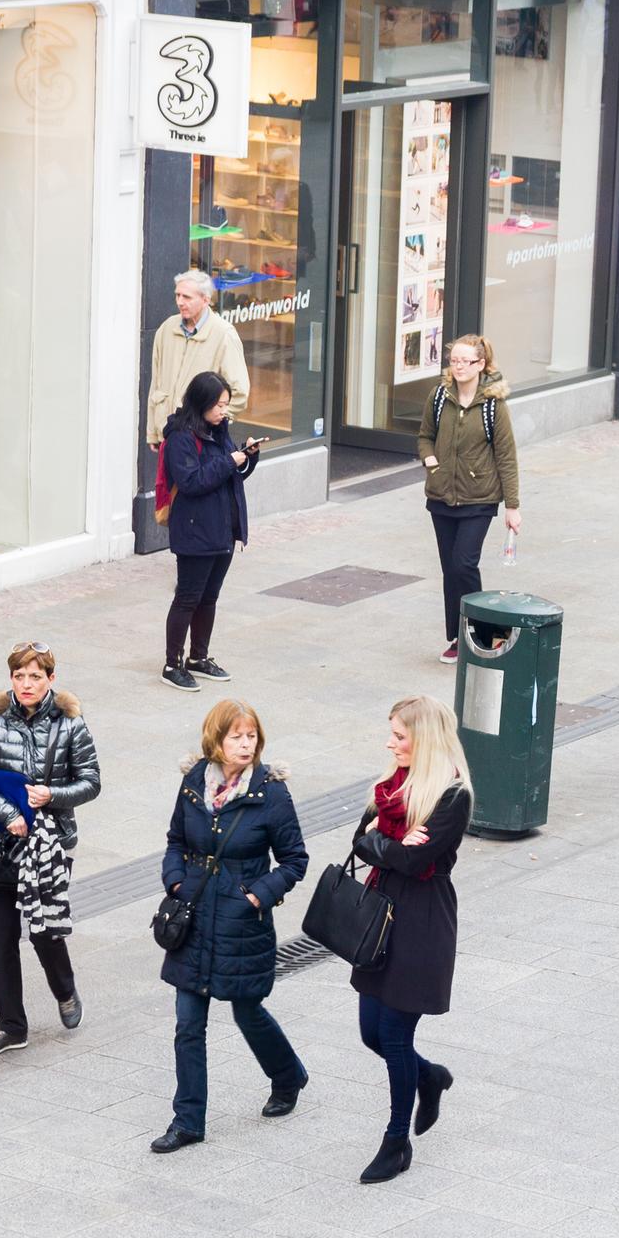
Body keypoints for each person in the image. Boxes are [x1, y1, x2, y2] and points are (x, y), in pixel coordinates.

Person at [150, 699, 310, 1152]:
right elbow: (176, 841)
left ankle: (287, 1076)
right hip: (195, 916)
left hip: (241, 922)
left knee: (247, 1010)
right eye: (236, 736)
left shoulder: (271, 793)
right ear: (216, 741)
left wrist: (257, 894)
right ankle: (188, 1122)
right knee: (187, 1024)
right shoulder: (193, 783)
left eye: (252, 736)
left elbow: (295, 860)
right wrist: (176, 880)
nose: (245, 744)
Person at [347, 697, 472, 1186]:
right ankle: (430, 1076)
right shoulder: (391, 788)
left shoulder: (452, 796)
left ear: (425, 739)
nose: (390, 743)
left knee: (396, 1037)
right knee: (371, 1033)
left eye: (400, 736)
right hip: (380, 912)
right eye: (392, 733)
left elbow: (415, 862)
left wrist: (387, 844)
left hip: (422, 922)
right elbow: (364, 840)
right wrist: (389, 844)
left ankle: (397, 1142)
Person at [0, 642, 100, 1058]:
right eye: (19, 676)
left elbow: (91, 781)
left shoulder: (71, 723)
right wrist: (7, 812)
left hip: (52, 843)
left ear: (51, 679)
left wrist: (51, 794)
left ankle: (65, 989)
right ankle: (11, 1026)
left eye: (34, 676)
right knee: (3, 935)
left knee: (44, 931)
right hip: (5, 842)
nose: (25, 683)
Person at [416, 334, 521, 665]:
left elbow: (506, 456)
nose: (458, 367)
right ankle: (456, 638)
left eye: (465, 361)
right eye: (454, 361)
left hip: (479, 498)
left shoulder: (493, 406)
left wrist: (512, 506)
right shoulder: (439, 397)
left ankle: (480, 635)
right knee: (451, 570)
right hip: (441, 496)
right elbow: (425, 437)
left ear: (481, 365)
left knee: (464, 564)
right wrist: (431, 463)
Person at [160, 371, 259, 694]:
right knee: (188, 597)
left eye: (226, 405)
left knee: (210, 597)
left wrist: (247, 458)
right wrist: (230, 461)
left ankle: (198, 657)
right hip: (195, 531)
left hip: (223, 529)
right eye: (218, 405)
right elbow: (191, 482)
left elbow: (231, 477)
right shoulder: (181, 437)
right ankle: (172, 664)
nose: (223, 411)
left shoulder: (219, 431)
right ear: (201, 402)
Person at [146, 270, 250, 446]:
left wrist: (209, 422)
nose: (180, 302)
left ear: (205, 299)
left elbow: (240, 393)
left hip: (201, 440)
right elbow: (156, 384)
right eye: (177, 295)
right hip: (168, 435)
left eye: (187, 297)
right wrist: (152, 433)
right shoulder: (166, 329)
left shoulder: (224, 334)